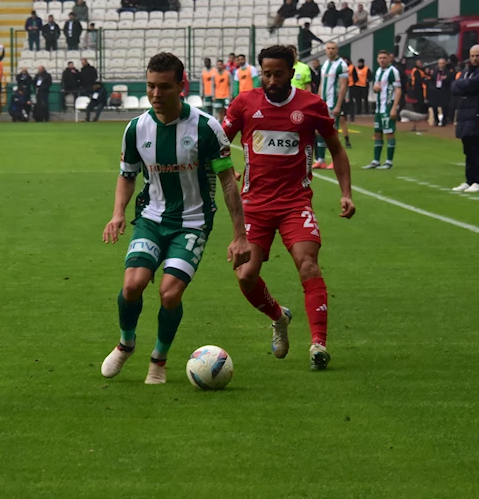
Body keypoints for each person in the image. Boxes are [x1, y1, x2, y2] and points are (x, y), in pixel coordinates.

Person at [100, 52, 249, 384]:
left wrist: (240, 235)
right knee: (132, 285)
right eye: (150, 86)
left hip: (193, 222)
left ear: (182, 86)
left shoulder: (206, 128)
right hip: (151, 218)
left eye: (164, 87)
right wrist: (117, 214)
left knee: (169, 293)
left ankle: (159, 360)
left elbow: (228, 181)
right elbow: (127, 175)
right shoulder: (136, 128)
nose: (155, 94)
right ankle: (125, 344)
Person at [222, 44, 355, 371]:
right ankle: (279, 317)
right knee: (246, 276)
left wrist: (346, 193)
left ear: (292, 73)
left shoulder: (311, 105)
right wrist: (228, 169)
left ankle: (318, 344)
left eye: (278, 73)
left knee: (308, 265)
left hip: (296, 203)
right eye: (266, 74)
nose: (271, 80)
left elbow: (336, 149)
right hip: (254, 205)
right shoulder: (244, 103)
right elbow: (218, 143)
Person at [363, 50, 401, 170]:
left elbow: (398, 90)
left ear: (389, 59)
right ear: (377, 59)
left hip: (388, 107)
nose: (382, 60)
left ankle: (389, 161)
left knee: (389, 133)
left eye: (384, 57)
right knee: (378, 133)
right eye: (380, 58)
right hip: (379, 108)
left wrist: (394, 108)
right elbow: (377, 88)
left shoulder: (393, 71)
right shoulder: (378, 71)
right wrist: (375, 88)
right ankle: (376, 161)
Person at [314, 42, 349, 168]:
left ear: (337, 50)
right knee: (319, 130)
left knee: (333, 132)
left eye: (333, 48)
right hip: (323, 103)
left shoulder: (342, 65)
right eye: (328, 48)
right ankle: (321, 160)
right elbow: (321, 84)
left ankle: (336, 160)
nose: (330, 51)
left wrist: (338, 105)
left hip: (333, 102)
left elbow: (343, 86)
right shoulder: (325, 65)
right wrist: (318, 100)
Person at [451, 45, 479, 193]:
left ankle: (477, 181)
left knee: (476, 149)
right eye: (472, 55)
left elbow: (473, 84)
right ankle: (469, 180)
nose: (475, 58)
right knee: (468, 150)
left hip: (476, 115)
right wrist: (463, 85)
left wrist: (461, 85)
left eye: (477, 56)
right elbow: (454, 87)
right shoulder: (467, 72)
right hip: (464, 116)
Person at [428, 58, 454, 126]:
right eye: (440, 63)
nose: (441, 65)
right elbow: (431, 80)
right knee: (434, 106)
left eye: (442, 63)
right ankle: (436, 120)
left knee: (444, 106)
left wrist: (445, 79)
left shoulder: (448, 72)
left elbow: (451, 81)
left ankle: (444, 121)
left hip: (444, 91)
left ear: (445, 64)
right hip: (436, 91)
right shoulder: (435, 72)